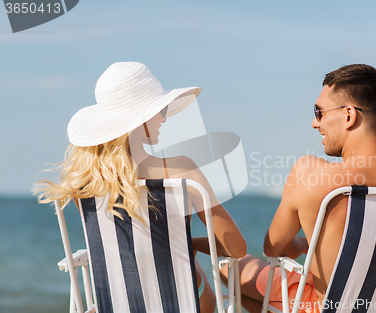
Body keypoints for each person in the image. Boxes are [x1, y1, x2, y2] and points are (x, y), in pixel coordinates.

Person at [220, 64, 376, 313]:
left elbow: (274, 249)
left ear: (348, 115)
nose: (314, 123)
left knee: (229, 269)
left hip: (321, 308)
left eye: (319, 112)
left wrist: (303, 245)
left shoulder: (309, 172)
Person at [35, 62, 246, 313]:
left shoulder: (85, 185)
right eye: (161, 109)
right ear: (142, 118)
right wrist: (192, 244)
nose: (165, 118)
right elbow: (236, 247)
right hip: (183, 306)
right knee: (186, 262)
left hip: (116, 307)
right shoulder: (181, 171)